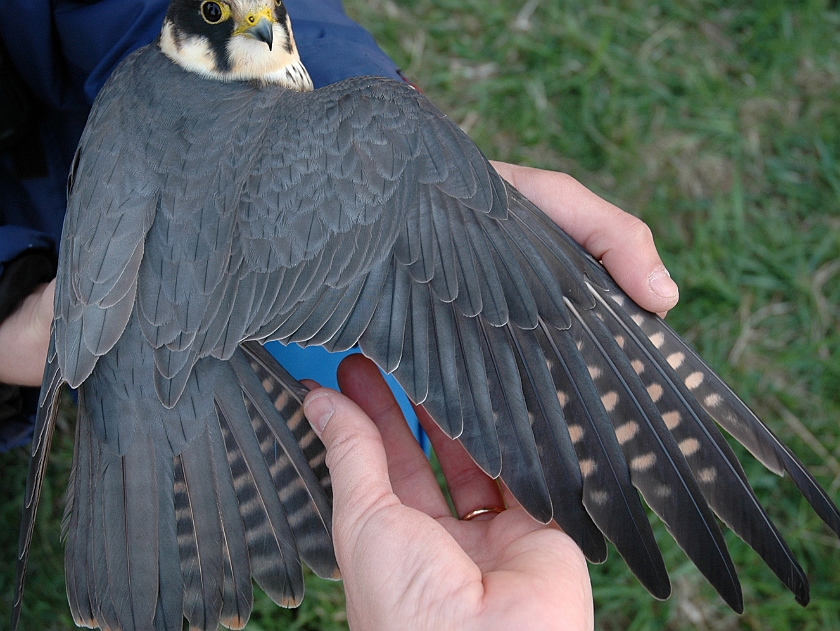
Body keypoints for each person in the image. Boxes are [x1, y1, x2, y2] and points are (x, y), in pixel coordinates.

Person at [0, 1, 680, 628]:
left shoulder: (167, 61)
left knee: (393, 404)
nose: (258, 25)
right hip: (78, 295)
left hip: (97, 245)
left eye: (266, 13)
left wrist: (394, 162)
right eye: (225, 14)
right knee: (377, 394)